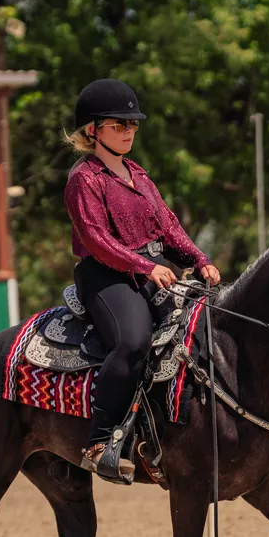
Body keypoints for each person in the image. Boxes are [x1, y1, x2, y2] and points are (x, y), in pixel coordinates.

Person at [64, 79, 221, 481]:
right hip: (105, 276)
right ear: (93, 130)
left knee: (202, 328)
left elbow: (169, 227)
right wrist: (145, 266)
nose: (129, 130)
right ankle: (100, 442)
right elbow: (96, 239)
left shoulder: (138, 175)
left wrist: (199, 259)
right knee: (133, 342)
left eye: (132, 124)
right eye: (119, 124)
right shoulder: (84, 179)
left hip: (151, 272)